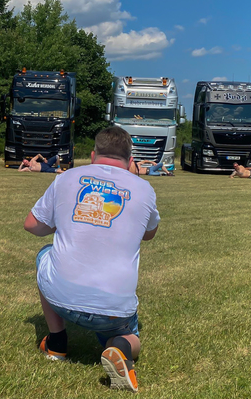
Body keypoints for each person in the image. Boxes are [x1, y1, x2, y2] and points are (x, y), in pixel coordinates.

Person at [24, 126, 160, 392]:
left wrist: (63, 223)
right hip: (113, 311)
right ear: (131, 160)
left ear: (93, 154)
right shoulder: (145, 190)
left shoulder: (67, 178)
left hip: (61, 298)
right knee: (132, 337)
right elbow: (149, 234)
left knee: (44, 253)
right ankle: (120, 347)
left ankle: (57, 342)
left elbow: (32, 225)